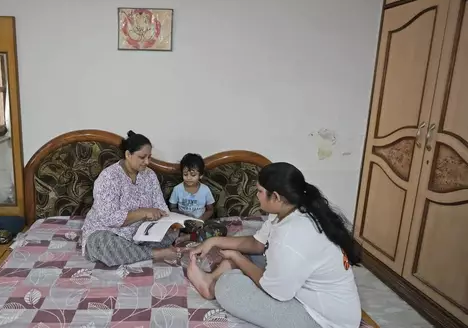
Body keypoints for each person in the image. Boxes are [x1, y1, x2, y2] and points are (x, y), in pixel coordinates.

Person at [187, 162, 361, 328]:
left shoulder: (290, 237)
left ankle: (216, 283)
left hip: (323, 320)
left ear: (276, 197)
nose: (256, 196)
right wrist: (214, 241)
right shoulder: (292, 209)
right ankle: (210, 280)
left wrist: (236, 258)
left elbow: (273, 290)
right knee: (240, 242)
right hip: (303, 287)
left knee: (229, 286)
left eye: (260, 191)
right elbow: (256, 243)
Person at [81, 131, 180, 267]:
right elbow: (109, 218)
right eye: (142, 157)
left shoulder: (150, 175)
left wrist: (167, 221)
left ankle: (136, 251)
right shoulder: (109, 177)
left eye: (149, 157)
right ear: (128, 155)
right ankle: (156, 253)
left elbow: (160, 206)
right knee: (100, 244)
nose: (147, 162)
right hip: (108, 231)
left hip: (141, 232)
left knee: (172, 231)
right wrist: (143, 212)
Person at [169, 153, 215, 221]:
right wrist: (183, 216)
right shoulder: (177, 189)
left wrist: (201, 219)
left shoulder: (205, 190)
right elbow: (172, 208)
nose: (188, 178)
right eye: (185, 174)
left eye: (193, 175)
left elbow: (210, 210)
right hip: (182, 221)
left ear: (201, 175)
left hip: (200, 221)